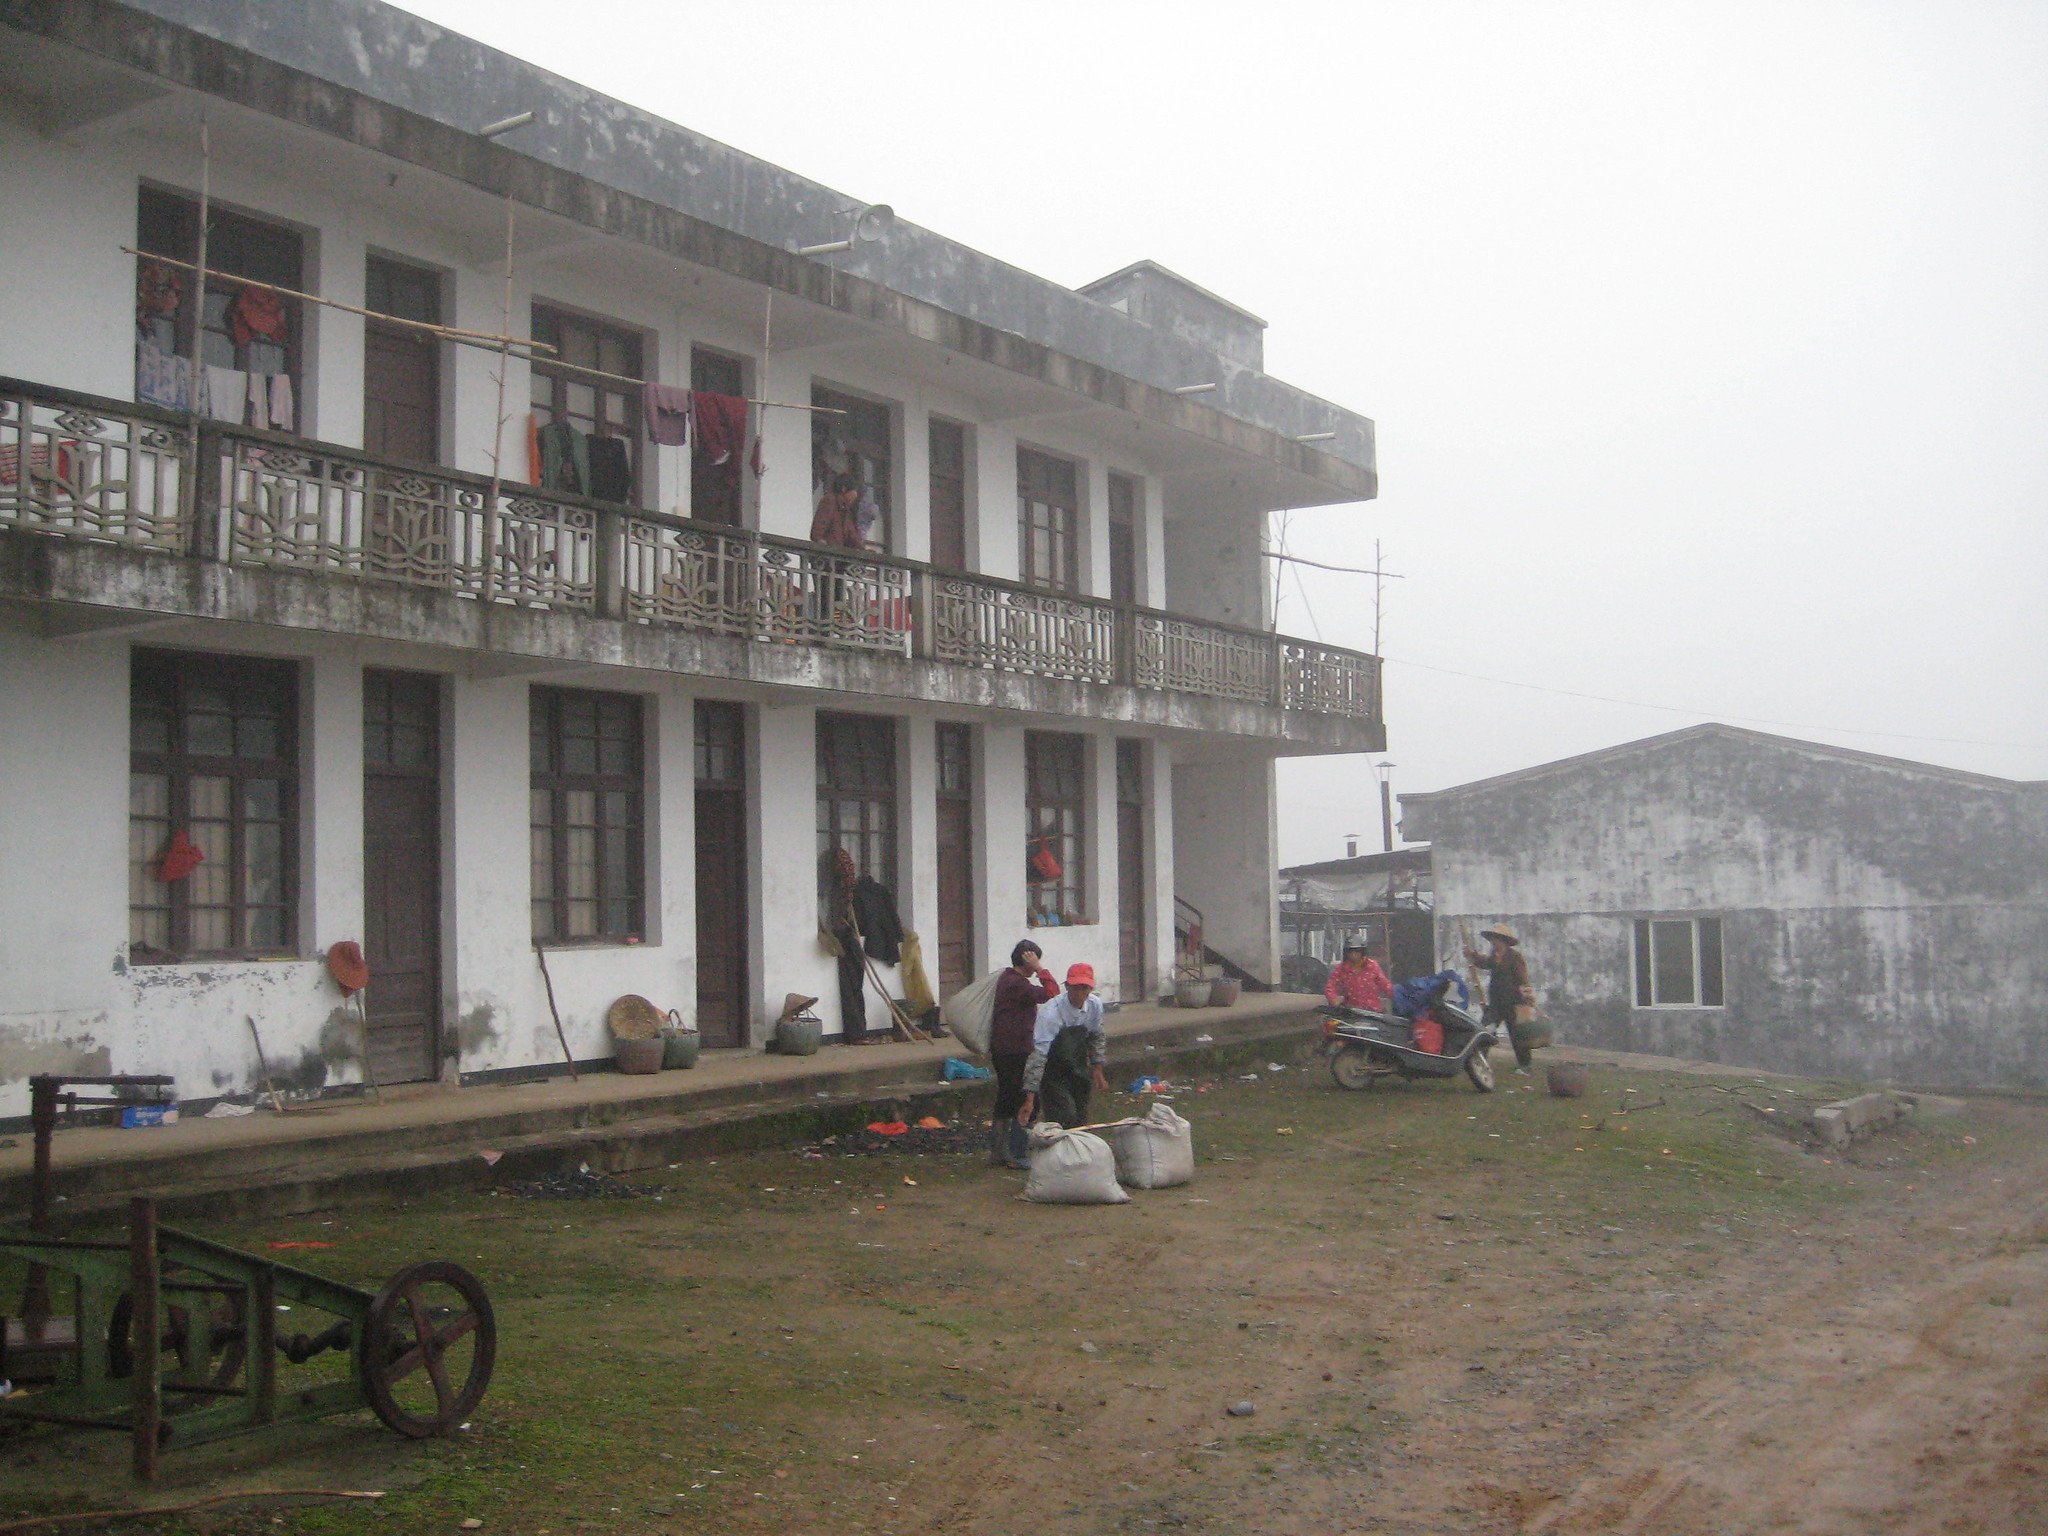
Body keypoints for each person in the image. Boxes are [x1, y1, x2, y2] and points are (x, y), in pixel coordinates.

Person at [988, 940, 1059, 1167]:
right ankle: (1016, 1154)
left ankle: (999, 1152)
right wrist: (1040, 969)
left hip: (1003, 1047)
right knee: (1026, 1099)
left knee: (1006, 1097)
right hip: (1017, 1049)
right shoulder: (1018, 985)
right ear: (1027, 959)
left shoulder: (1005, 980)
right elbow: (1052, 993)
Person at [1017, 963, 1109, 1129]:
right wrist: (1030, 1097)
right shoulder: (1051, 1013)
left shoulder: (1095, 1006)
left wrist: (1097, 1068)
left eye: (1084, 988)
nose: (1080, 993)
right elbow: (1038, 1055)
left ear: (1090, 988)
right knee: (1063, 1115)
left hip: (1079, 1069)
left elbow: (1096, 1035)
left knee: (1081, 1117)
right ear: (1067, 987)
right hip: (1053, 1074)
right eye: (1075, 988)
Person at [1465, 922, 1536, 1072]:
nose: (1494, 942)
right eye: (1492, 939)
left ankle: (1525, 1065)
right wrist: (1472, 955)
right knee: (1485, 1030)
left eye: (1496, 939)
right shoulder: (1494, 956)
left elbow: (1523, 979)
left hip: (1514, 1003)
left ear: (1504, 941)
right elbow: (1484, 963)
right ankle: (1479, 1062)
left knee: (1518, 1036)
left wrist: (1528, 998)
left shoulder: (1514, 957)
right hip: (1496, 1004)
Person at [1323, 938, 1392, 1012]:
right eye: (1350, 952)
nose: (1353, 955)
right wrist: (1333, 999)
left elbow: (1385, 985)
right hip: (1351, 1013)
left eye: (1357, 951)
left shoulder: (1372, 966)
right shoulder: (1341, 969)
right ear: (1346, 953)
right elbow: (1330, 986)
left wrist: (1396, 996)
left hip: (1373, 1013)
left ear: (1362, 952)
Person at [810, 470, 862, 550]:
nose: (855, 495)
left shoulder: (846, 509)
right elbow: (819, 526)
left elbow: (851, 533)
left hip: (839, 554)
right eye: (854, 490)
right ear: (844, 489)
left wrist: (862, 548)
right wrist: (820, 541)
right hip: (828, 554)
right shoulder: (830, 501)